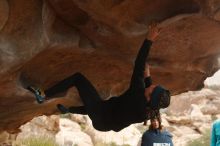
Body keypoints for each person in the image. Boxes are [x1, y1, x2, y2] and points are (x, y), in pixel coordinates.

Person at [27, 24, 171, 132]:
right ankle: (68, 110)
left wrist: (149, 39)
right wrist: (148, 78)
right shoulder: (149, 111)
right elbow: (153, 99)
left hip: (101, 115)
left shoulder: (137, 94)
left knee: (78, 79)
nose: (152, 85)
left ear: (149, 97)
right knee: (98, 104)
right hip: (105, 124)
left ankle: (44, 95)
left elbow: (139, 63)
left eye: (153, 88)